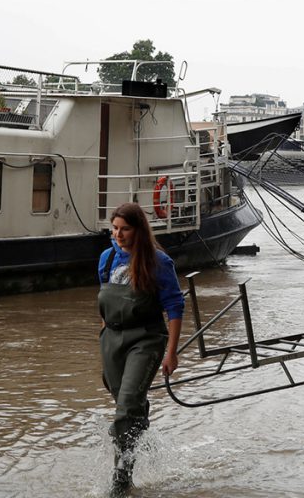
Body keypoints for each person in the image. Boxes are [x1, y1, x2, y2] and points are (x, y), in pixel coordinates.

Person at [98, 202, 184, 496]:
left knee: (126, 408)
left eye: (125, 229)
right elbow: (105, 298)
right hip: (112, 339)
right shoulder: (107, 258)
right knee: (128, 406)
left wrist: (172, 353)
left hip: (146, 338)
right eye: (115, 229)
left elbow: (174, 307)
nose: (118, 234)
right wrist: (104, 337)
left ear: (138, 230)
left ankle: (120, 481)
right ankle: (139, 434)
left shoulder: (158, 262)